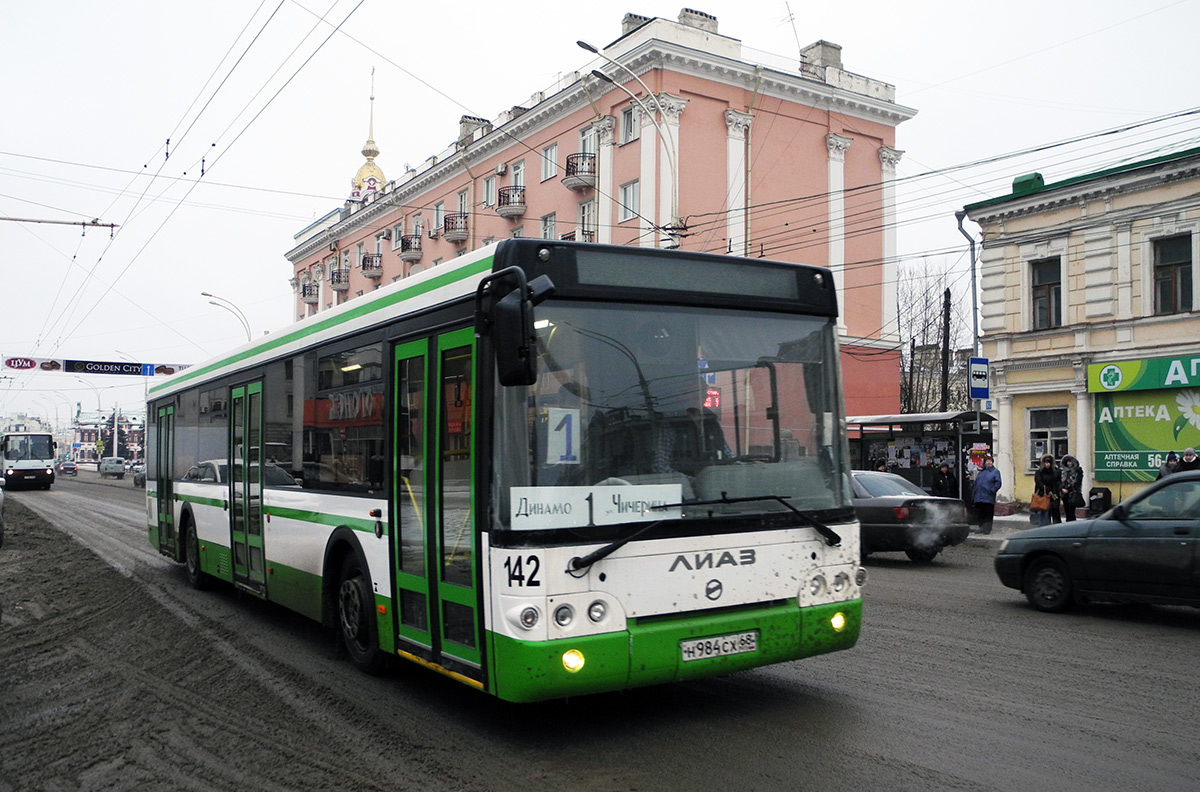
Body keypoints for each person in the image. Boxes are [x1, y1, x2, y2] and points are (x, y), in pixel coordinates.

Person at [972, 455, 1001, 534]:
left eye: (990, 461)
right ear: (984, 463)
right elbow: (976, 484)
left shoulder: (995, 472)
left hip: (988, 496)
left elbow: (998, 483)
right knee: (980, 513)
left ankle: (987, 529)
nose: (989, 463)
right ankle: (981, 527)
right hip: (979, 496)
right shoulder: (981, 473)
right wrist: (974, 494)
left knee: (988, 513)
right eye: (987, 461)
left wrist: (992, 490)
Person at [1033, 453, 1060, 526]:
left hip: (1053, 494)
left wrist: (1054, 493)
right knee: (1044, 511)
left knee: (1055, 510)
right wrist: (1047, 490)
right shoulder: (1039, 472)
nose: (1048, 464)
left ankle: (1056, 525)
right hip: (1042, 494)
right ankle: (1044, 525)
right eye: (1046, 463)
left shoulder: (1054, 471)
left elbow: (1056, 482)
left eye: (1049, 463)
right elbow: (1038, 482)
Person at [1059, 454, 1083, 522]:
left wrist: (1069, 489)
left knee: (1072, 509)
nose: (1069, 463)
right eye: (1068, 462)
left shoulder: (1078, 471)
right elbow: (1059, 481)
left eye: (1070, 462)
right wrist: (1062, 488)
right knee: (1066, 508)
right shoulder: (1062, 471)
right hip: (1064, 493)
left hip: (1073, 493)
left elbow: (1077, 482)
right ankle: (1068, 521)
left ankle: (1072, 521)